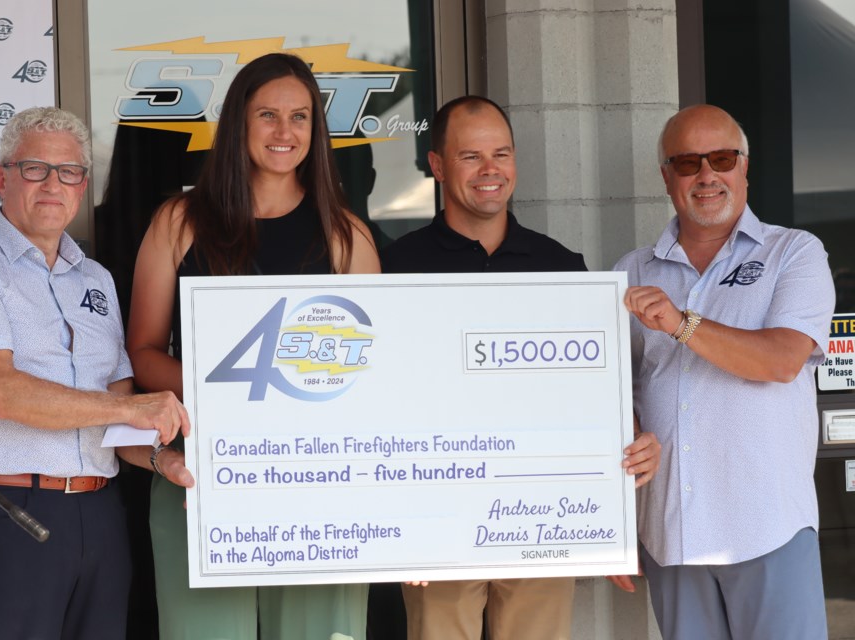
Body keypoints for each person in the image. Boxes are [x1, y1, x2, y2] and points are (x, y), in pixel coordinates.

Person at [381, 95, 661, 640]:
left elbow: (590, 395)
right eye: (471, 157)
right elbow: (381, 402)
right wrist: (399, 528)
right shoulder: (395, 267)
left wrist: (607, 506)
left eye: (502, 154)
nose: (491, 171)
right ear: (437, 166)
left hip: (537, 519)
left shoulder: (561, 266)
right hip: (438, 520)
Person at [123, 52, 380, 640]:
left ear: (317, 130)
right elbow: (141, 350)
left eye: (299, 116)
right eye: (267, 114)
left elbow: (371, 374)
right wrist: (227, 400)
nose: (284, 132)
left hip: (323, 481)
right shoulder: (180, 221)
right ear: (238, 122)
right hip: (205, 473)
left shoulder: (347, 237)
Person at [0, 106, 190, 640]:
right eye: (35, 169)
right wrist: (132, 406)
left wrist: (169, 462)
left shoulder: (96, 279)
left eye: (68, 172)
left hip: (100, 514)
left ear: (83, 185)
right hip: (5, 511)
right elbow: (2, 393)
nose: (53, 184)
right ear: (2, 178)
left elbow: (116, 428)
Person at [612, 104, 833, 639]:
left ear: (744, 167)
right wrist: (610, 526)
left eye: (722, 158)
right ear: (667, 177)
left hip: (769, 528)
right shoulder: (629, 272)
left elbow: (782, 359)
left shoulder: (794, 253)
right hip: (671, 535)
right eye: (688, 162)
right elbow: (612, 401)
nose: (707, 175)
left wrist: (682, 324)